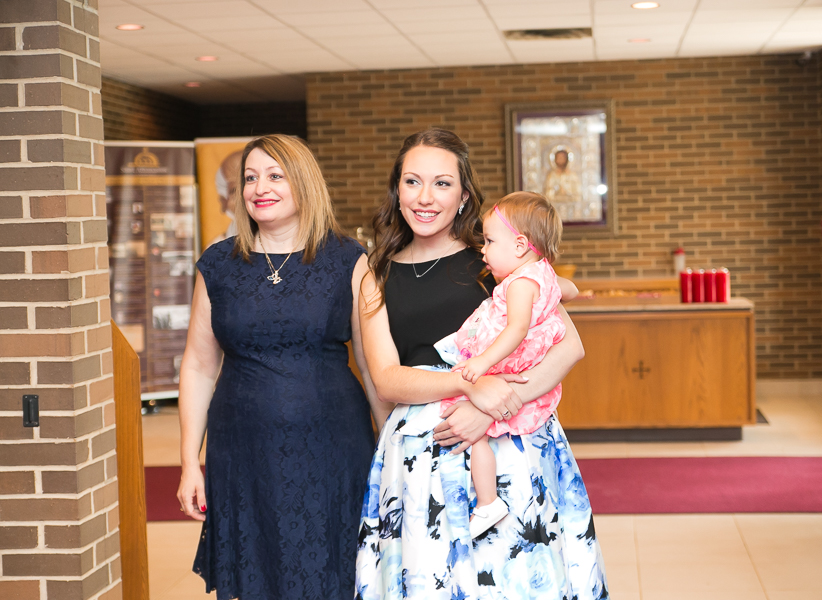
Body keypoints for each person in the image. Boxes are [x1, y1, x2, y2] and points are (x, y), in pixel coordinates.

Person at [355, 129, 609, 599]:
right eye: (412, 182)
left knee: (510, 578)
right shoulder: (375, 270)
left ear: (464, 194)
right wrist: (468, 388)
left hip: (509, 437)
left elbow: (568, 346)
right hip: (422, 448)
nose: (425, 197)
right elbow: (386, 377)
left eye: (442, 184)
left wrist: (493, 407)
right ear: (397, 190)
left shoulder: (496, 260)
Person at [176, 134, 391, 599]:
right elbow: (197, 366)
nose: (260, 187)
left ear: (304, 183)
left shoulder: (348, 259)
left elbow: (374, 368)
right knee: (258, 575)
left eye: (275, 175)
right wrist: (188, 461)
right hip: (242, 449)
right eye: (250, 177)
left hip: (333, 447)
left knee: (333, 573)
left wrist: (390, 447)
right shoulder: (218, 265)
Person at [433, 191, 579, 538]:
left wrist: (482, 362)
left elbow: (516, 329)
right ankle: (488, 501)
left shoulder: (517, 285)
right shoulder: (541, 275)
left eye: (489, 241)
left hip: (503, 366)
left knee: (474, 432)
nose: (483, 249)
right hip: (523, 370)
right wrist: (554, 289)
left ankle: (487, 502)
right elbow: (570, 289)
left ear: (519, 246)